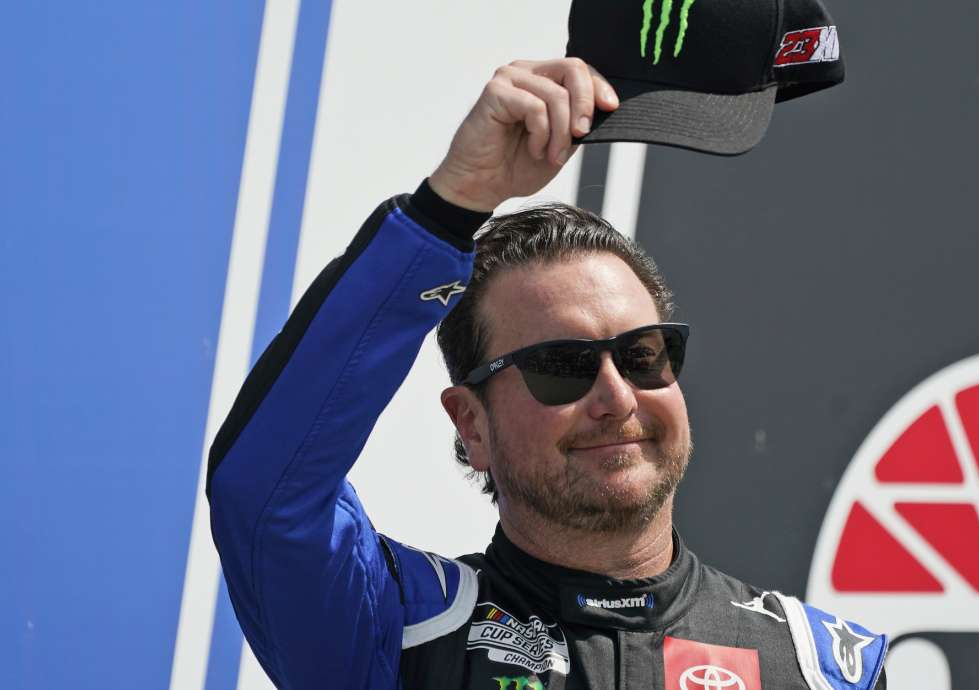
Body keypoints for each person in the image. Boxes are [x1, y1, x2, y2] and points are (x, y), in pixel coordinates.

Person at [208, 57, 887, 690]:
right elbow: (265, 495)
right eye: (563, 367)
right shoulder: (396, 628)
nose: (616, 396)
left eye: (643, 355)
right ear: (470, 424)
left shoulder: (823, 667)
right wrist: (452, 205)